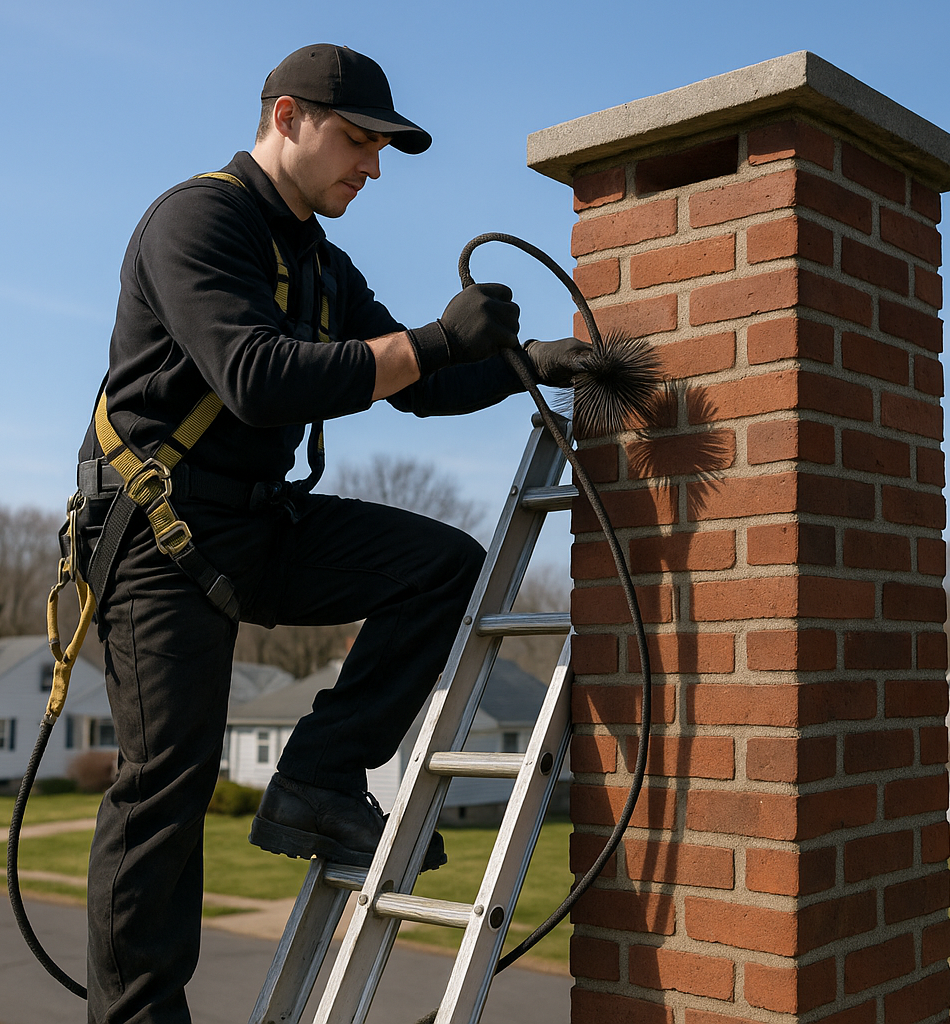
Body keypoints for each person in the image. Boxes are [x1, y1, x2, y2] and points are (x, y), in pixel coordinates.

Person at [73, 44, 585, 1023]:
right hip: (158, 536)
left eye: (382, 149)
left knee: (440, 567)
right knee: (164, 791)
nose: (374, 166)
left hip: (258, 526)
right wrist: (432, 339)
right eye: (359, 140)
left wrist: (536, 360)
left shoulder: (320, 264)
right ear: (286, 117)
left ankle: (316, 777)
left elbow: (417, 388)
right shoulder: (199, 221)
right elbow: (258, 377)